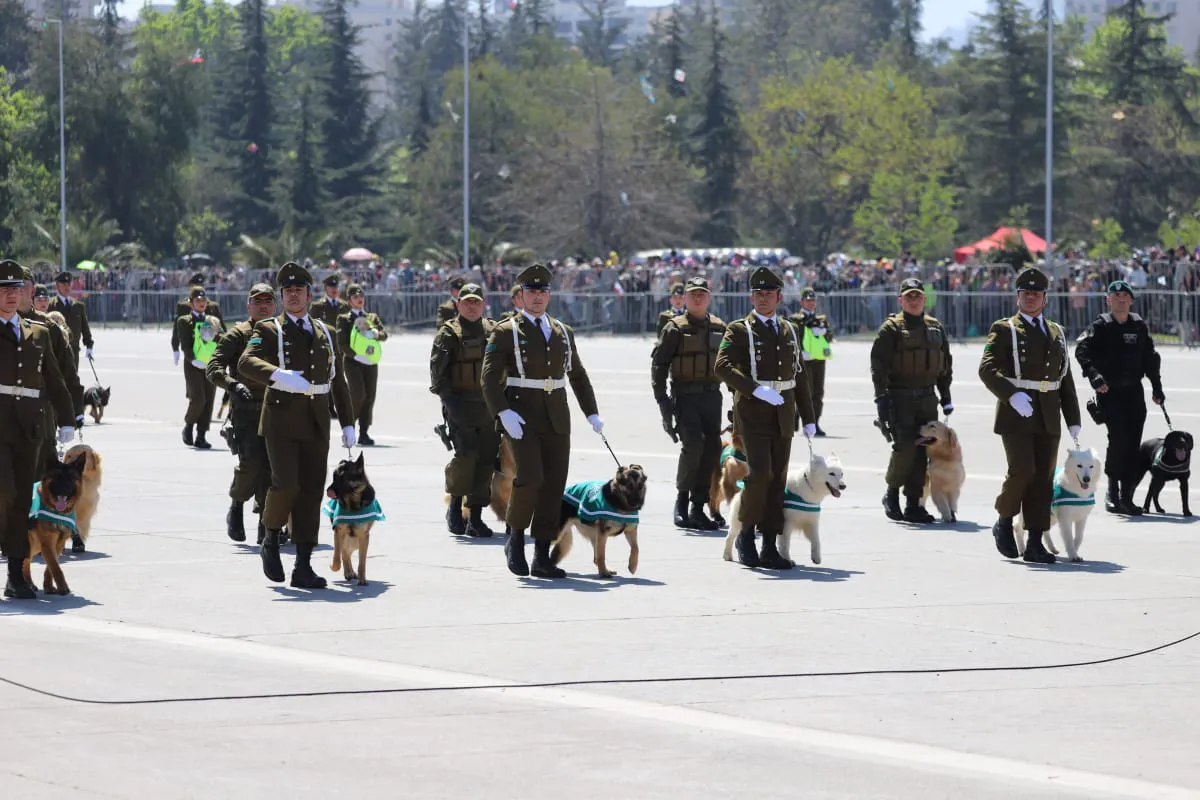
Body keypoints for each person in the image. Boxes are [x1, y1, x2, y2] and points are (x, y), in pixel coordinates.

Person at [238, 262, 356, 589]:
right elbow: (246, 362)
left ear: (308, 294)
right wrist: (277, 375)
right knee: (286, 484)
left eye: (298, 290)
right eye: (287, 291)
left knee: (311, 491)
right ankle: (271, 538)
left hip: (317, 418)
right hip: (280, 416)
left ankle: (303, 565)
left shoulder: (326, 333)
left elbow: (339, 382)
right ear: (282, 295)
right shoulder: (268, 330)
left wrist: (348, 422)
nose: (293, 295)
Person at [481, 263, 602, 578]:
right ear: (520, 296)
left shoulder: (562, 330)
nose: (537, 297)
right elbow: (489, 377)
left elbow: (577, 374)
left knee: (553, 484)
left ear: (550, 295)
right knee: (530, 477)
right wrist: (502, 411)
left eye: (543, 291)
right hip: (521, 415)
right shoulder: (506, 331)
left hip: (557, 417)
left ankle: (542, 555)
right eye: (531, 292)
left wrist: (591, 411)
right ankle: (516, 539)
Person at [715, 266, 816, 570]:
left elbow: (799, 375)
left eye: (768, 293)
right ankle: (746, 532)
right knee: (760, 474)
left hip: (783, 414)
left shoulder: (788, 330)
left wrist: (808, 416)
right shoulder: (738, 329)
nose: (762, 298)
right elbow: (722, 366)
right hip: (754, 414)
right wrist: (755, 390)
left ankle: (770, 542)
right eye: (757, 293)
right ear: (751, 296)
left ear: (779, 296)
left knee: (778, 479)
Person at [979, 266, 1082, 564]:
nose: (1031, 298)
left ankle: (1036, 540)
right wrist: (1011, 394)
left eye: (1036, 294)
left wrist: (1073, 417)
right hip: (1017, 411)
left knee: (1043, 479)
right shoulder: (1005, 329)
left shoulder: (1057, 332)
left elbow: (1065, 378)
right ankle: (1004, 519)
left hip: (1048, 412)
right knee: (1022, 470)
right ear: (1017, 297)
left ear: (1045, 298)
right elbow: (987, 369)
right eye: (1026, 293)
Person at [0, 259, 75, 599]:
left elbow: (56, 382)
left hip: (29, 428)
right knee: (7, 493)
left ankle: (16, 575)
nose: (11, 295)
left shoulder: (40, 333)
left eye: (16, 289)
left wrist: (67, 420)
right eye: (4, 289)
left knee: (20, 504)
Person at [1074, 280, 1164, 515]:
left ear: (1131, 300)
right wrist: (1094, 376)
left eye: (1125, 295)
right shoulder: (1101, 326)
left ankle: (1128, 496)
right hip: (1109, 392)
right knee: (1118, 440)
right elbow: (1081, 351)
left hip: (1134, 392)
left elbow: (1150, 359)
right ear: (1108, 300)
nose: (1121, 299)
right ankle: (1112, 494)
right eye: (1116, 295)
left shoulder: (1139, 325)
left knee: (1133, 444)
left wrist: (1157, 387)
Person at [869, 278, 952, 524]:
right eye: (909, 297)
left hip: (928, 397)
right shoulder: (891, 329)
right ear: (901, 300)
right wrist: (881, 399)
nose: (914, 300)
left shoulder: (935, 327)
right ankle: (892, 492)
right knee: (904, 446)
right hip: (900, 396)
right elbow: (878, 367)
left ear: (925, 299)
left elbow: (945, 364)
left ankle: (914, 503)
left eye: (918, 296)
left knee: (923, 449)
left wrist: (945, 396)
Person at [651, 276, 727, 529]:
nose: (697, 297)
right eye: (692, 293)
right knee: (693, 444)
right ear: (684, 297)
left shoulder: (719, 327)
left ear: (708, 297)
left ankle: (698, 506)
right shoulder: (674, 328)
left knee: (712, 448)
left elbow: (730, 366)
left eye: (701, 293)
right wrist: (663, 403)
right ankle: (682, 500)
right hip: (685, 396)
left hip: (712, 396)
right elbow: (659, 365)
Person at [207, 283, 277, 543]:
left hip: (277, 408)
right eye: (258, 301)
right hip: (247, 411)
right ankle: (236, 505)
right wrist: (232, 385)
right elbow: (214, 367)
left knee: (274, 467)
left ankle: (266, 524)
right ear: (249, 305)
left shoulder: (282, 333)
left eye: (268, 301)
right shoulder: (238, 334)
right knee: (251, 464)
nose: (263, 305)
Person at [430, 282, 501, 538]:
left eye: (476, 302)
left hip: (489, 407)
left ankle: (476, 517)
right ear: (458, 304)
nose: (472, 306)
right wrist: (450, 403)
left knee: (486, 461)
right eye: (467, 302)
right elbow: (438, 374)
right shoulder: (449, 333)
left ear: (483, 304)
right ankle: (455, 507)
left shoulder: (494, 330)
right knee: (466, 458)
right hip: (461, 405)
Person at [336, 283, 388, 446]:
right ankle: (349, 424)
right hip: (353, 362)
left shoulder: (371, 318)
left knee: (370, 396)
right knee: (359, 394)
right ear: (349, 300)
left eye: (361, 297)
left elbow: (384, 335)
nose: (359, 300)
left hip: (370, 361)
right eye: (355, 297)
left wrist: (374, 333)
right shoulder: (344, 319)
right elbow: (342, 343)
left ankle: (364, 432)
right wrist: (356, 356)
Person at [173, 286, 225, 449]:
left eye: (203, 301)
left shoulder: (212, 320)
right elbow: (185, 343)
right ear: (191, 303)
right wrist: (192, 359)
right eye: (198, 301)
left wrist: (216, 334)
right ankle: (188, 426)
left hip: (210, 364)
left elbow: (223, 336)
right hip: (193, 364)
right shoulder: (184, 321)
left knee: (209, 400)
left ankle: (201, 435)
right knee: (198, 398)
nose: (201, 303)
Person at [790, 287, 833, 436]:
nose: (811, 303)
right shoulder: (796, 319)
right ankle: (796, 419)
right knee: (804, 391)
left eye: (813, 300)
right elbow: (792, 337)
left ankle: (815, 422)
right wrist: (800, 352)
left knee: (818, 392)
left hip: (818, 359)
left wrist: (824, 332)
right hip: (803, 360)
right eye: (808, 300)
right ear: (802, 302)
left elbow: (829, 338)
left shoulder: (821, 319)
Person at [47, 271, 93, 368]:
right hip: (56, 350)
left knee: (73, 380)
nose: (67, 287)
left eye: (68, 284)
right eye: (63, 284)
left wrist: (89, 346)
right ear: (57, 286)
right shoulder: (50, 305)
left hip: (74, 350)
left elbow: (85, 327)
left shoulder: (78, 306)